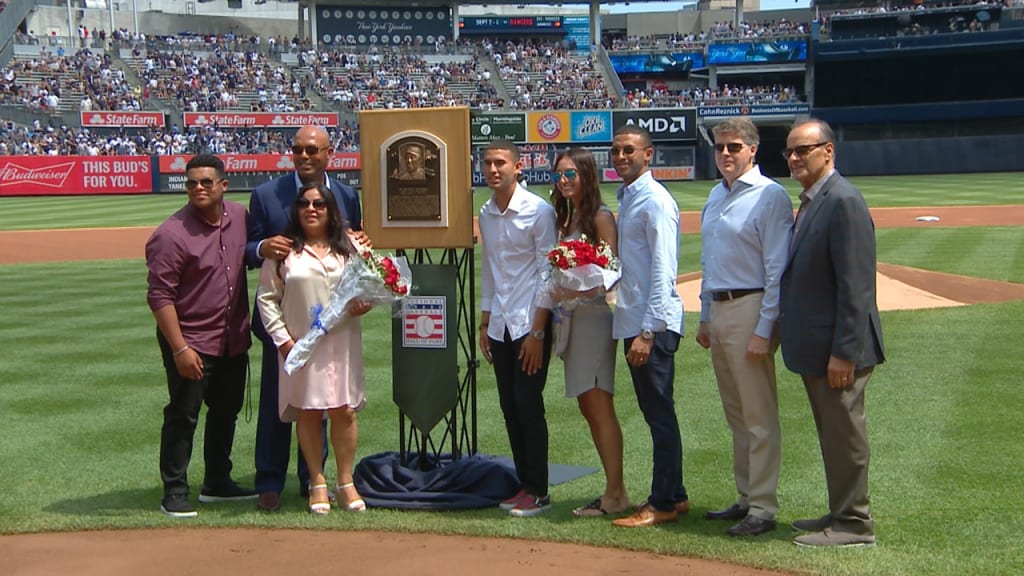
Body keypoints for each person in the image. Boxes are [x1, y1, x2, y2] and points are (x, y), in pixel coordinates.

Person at [246, 125, 367, 513]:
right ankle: (270, 480)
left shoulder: (347, 195)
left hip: (337, 328)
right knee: (281, 404)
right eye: (298, 149)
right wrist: (262, 247)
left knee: (330, 403)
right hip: (289, 325)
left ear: (329, 153)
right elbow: (247, 247)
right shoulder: (267, 195)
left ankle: (313, 479)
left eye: (312, 150)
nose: (304, 156)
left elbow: (356, 252)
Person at [781, 119, 885, 548]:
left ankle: (855, 523)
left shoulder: (843, 200)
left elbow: (856, 286)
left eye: (803, 150)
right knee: (833, 435)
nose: (794, 158)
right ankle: (841, 509)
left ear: (828, 151)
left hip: (839, 350)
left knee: (845, 435)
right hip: (819, 346)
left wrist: (845, 352)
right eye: (789, 151)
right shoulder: (814, 199)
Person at [696, 117, 793, 537]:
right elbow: (710, 260)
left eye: (734, 146)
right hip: (720, 307)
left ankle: (763, 507)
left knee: (758, 414)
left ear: (752, 149)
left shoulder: (769, 195)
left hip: (751, 305)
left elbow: (777, 268)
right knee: (736, 412)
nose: (725, 154)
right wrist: (704, 314)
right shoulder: (717, 194)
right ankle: (745, 496)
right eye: (719, 147)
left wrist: (765, 329)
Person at [145, 154, 255, 518]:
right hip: (191, 339)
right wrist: (179, 349)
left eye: (206, 182)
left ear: (224, 185)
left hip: (232, 337)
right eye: (191, 182)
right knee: (183, 415)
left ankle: (217, 481)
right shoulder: (171, 234)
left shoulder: (239, 217)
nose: (198, 188)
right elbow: (160, 297)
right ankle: (174, 490)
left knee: (225, 412)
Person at [608, 125, 689, 528]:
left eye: (629, 150)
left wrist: (647, 332)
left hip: (649, 324)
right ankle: (676, 494)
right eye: (616, 151)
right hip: (637, 318)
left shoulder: (654, 200)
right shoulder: (630, 197)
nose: (621, 157)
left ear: (648, 154)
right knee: (656, 411)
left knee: (659, 415)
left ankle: (662, 503)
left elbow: (663, 269)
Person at [549, 148, 630, 517]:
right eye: (559, 175)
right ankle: (614, 491)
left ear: (586, 175)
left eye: (571, 174)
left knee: (599, 405)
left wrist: (576, 291)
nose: (564, 181)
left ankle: (615, 494)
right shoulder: (568, 216)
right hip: (572, 319)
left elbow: (611, 274)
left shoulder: (600, 216)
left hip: (593, 319)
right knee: (587, 405)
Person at [478, 139, 557, 518]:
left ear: (518, 167)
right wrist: (485, 321)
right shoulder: (485, 213)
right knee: (509, 406)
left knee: (528, 405)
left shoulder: (538, 211)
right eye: (488, 163)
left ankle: (539, 491)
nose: (493, 169)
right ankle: (525, 484)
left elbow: (548, 272)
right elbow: (489, 269)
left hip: (530, 324)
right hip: (500, 325)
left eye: (500, 163)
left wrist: (538, 333)